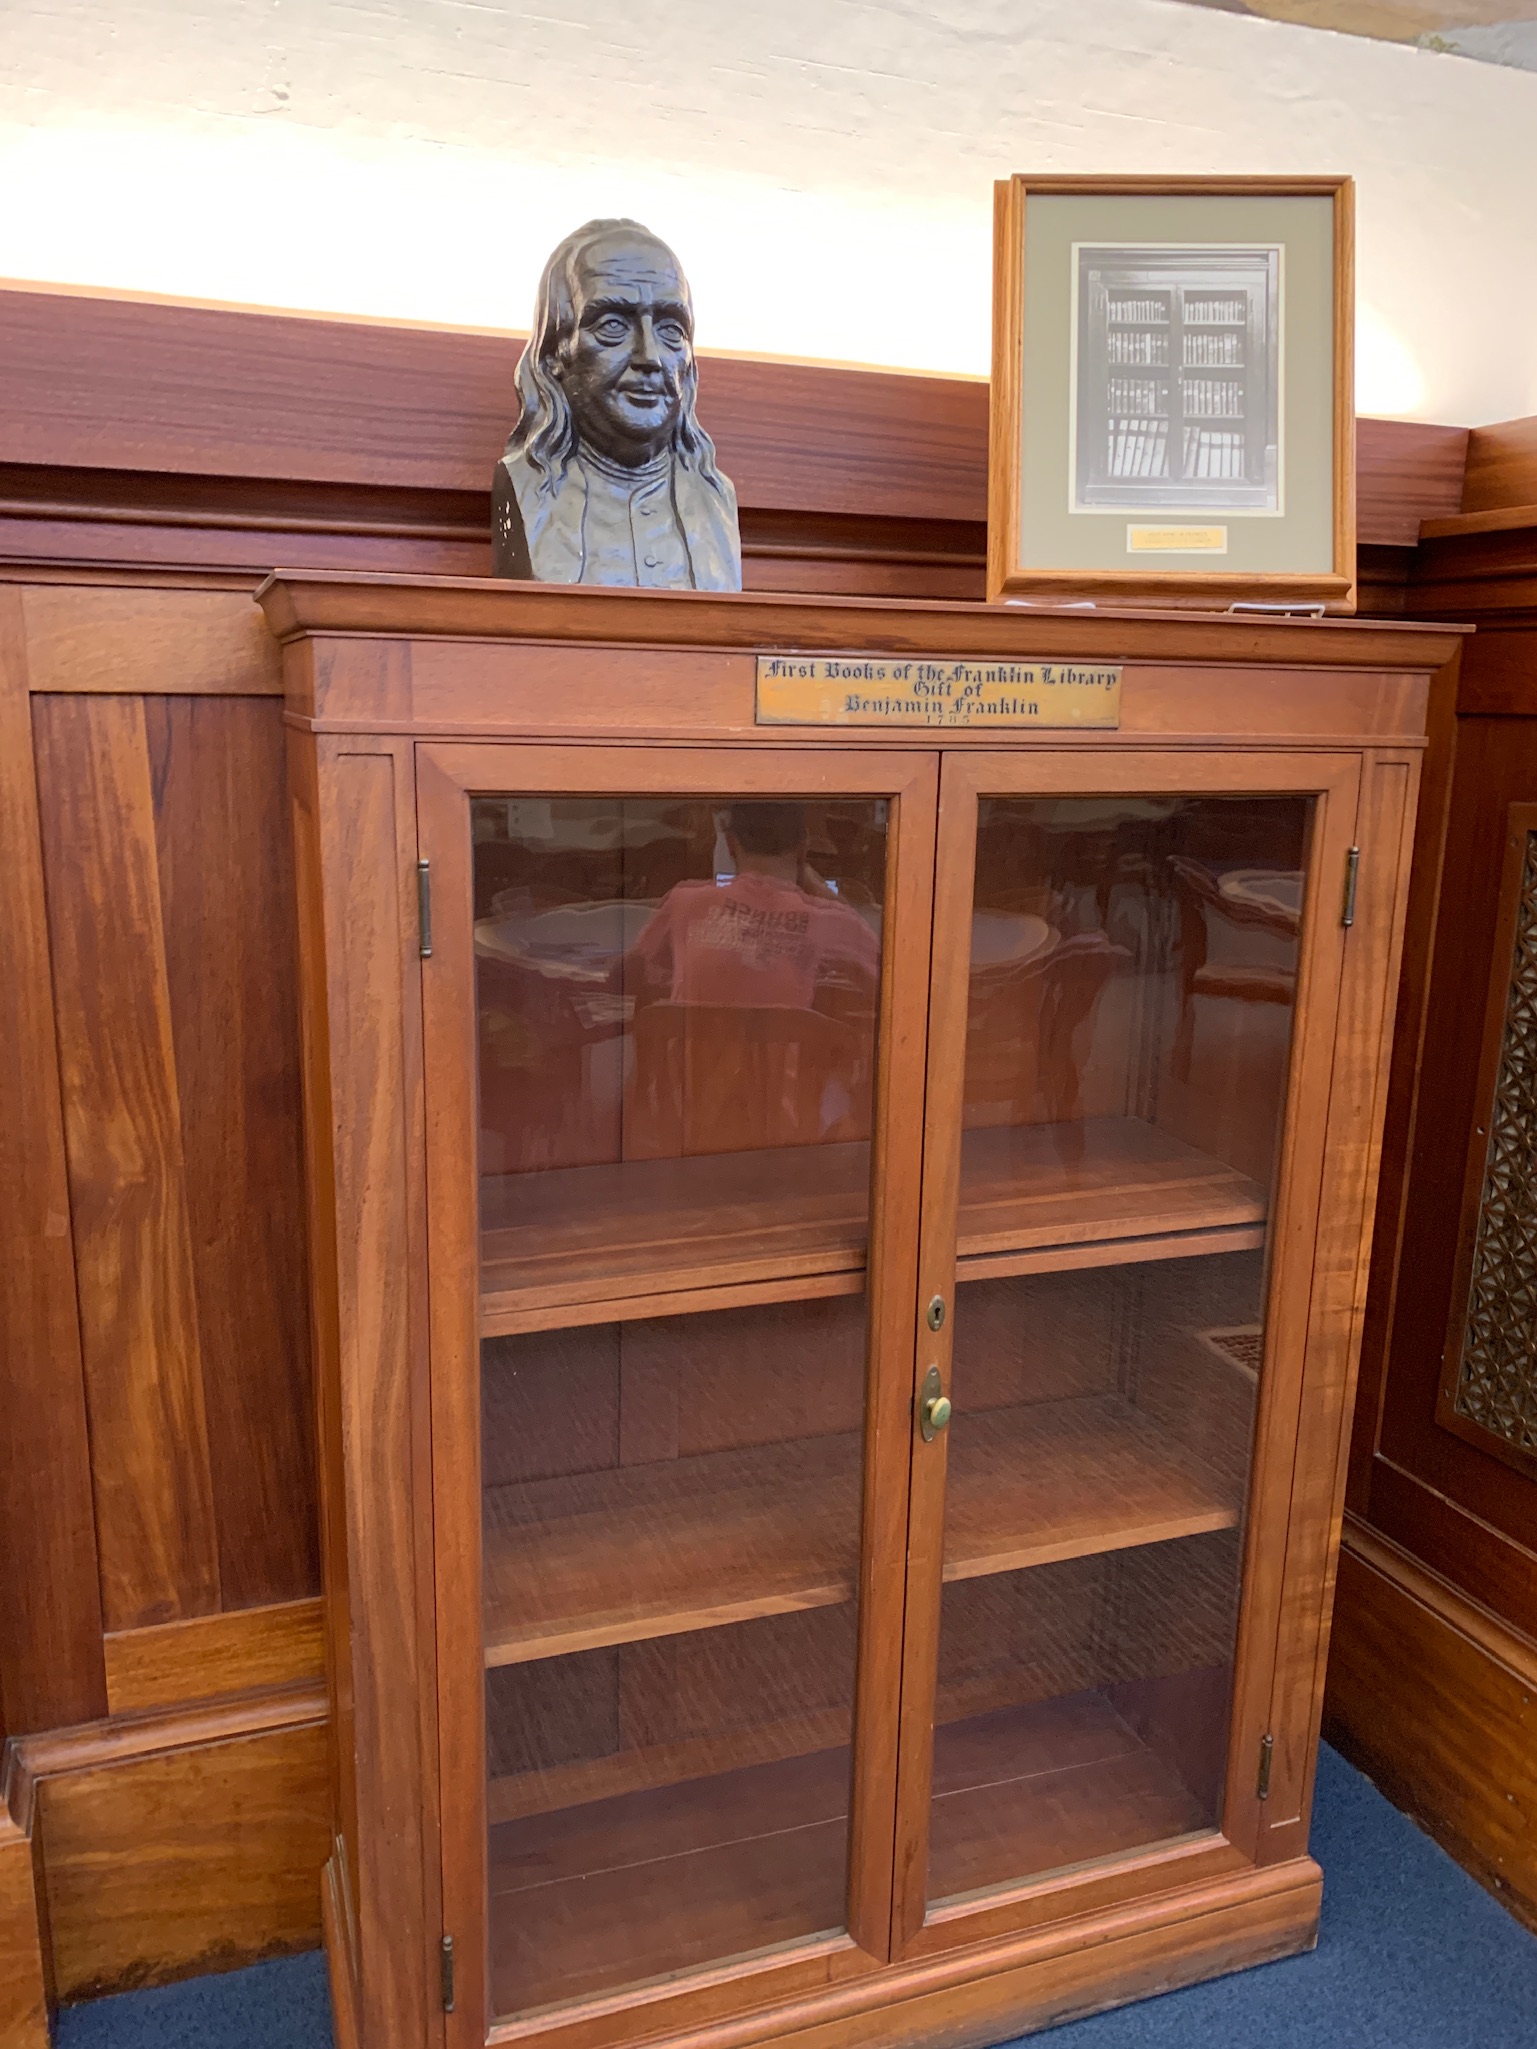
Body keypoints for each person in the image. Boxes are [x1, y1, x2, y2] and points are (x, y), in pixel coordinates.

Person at [492, 218, 741, 589]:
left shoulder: (716, 499)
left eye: (671, 330)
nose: (650, 356)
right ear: (555, 354)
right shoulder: (526, 490)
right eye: (612, 326)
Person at [623, 801, 879, 1011]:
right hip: (786, 1062)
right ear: (803, 848)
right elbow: (887, 980)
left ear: (731, 844)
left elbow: (625, 976)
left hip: (694, 1062)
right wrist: (819, 888)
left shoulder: (685, 903)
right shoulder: (829, 920)